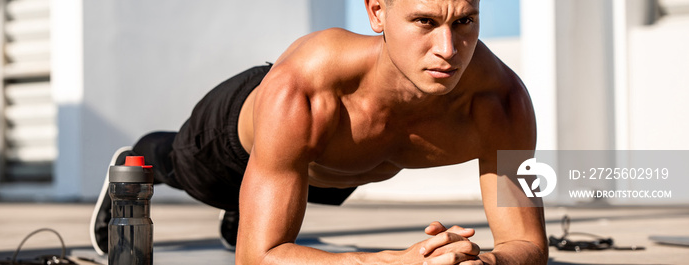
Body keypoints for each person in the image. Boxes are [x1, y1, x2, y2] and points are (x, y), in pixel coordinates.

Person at [91, 0, 548, 264]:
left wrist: (483, 262)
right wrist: (386, 263)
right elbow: (257, 258)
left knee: (290, 192)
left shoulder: (503, 104)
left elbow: (528, 244)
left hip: (330, 174)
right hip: (238, 134)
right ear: (377, 13)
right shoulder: (305, 90)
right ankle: (136, 159)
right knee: (179, 164)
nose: (448, 50)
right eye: (425, 22)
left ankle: (251, 206)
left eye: (465, 21)